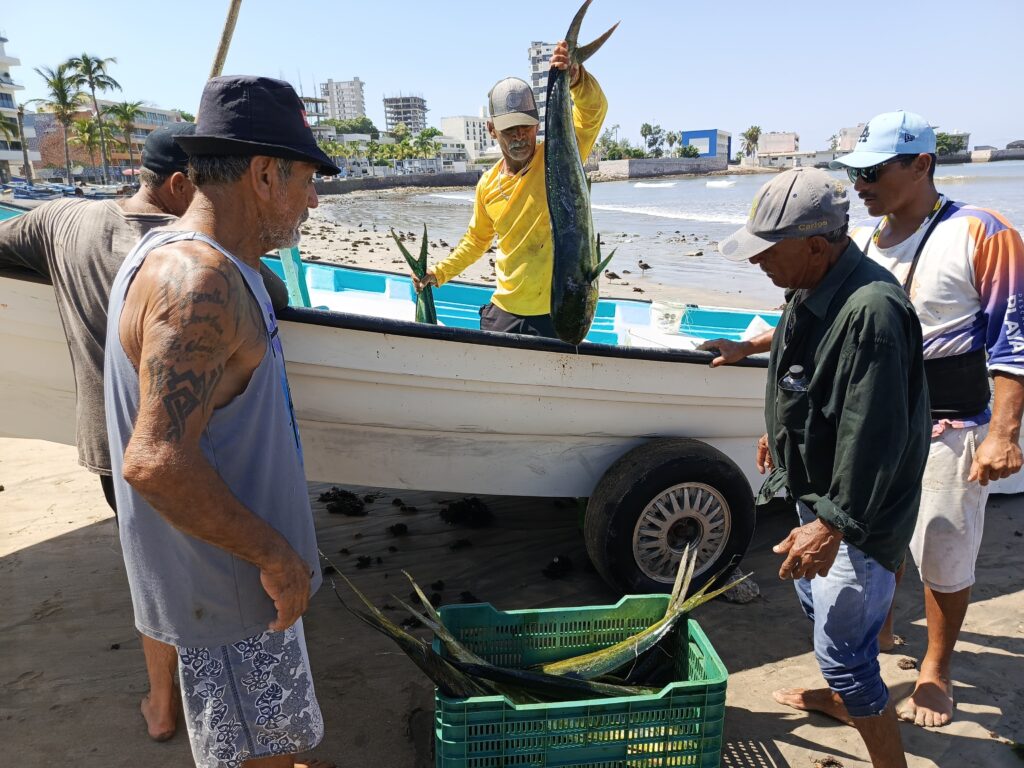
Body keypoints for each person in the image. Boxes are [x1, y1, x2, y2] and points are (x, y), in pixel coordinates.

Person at [702, 111, 1024, 729]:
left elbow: (1014, 337)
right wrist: (756, 351)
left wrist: (1004, 433)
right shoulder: (864, 239)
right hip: (866, 418)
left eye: (873, 172)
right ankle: (863, 667)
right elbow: (818, 318)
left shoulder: (982, 233)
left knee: (943, 550)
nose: (861, 184)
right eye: (854, 172)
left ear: (922, 164)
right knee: (873, 554)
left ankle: (934, 669)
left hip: (948, 421)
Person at [0, 123, 286, 742]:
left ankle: (161, 703)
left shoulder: (63, 224)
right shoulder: (194, 264)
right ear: (184, 184)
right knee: (218, 585)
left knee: (149, 570)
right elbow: (274, 296)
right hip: (195, 451)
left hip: (106, 439)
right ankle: (244, 732)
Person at [104, 76, 337, 768]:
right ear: (265, 175)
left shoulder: (180, 257)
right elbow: (155, 461)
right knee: (267, 760)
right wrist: (274, 554)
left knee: (283, 751)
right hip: (235, 594)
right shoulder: (196, 283)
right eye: (306, 179)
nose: (314, 199)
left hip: (236, 593)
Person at [718, 168, 930, 768]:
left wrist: (832, 524)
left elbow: (879, 436)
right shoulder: (813, 283)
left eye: (769, 250)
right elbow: (809, 369)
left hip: (857, 517)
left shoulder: (874, 311)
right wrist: (781, 430)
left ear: (816, 245)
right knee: (818, 610)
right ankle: (842, 699)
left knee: (845, 652)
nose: (759, 261)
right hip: (821, 495)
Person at [412, 40, 607, 337]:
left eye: (526, 126)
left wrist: (578, 80)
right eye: (508, 129)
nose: (519, 136)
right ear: (491, 130)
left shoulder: (560, 156)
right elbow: (477, 241)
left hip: (555, 309)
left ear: (537, 124)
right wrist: (439, 273)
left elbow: (592, 112)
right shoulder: (487, 185)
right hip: (505, 307)